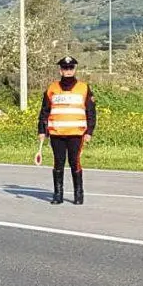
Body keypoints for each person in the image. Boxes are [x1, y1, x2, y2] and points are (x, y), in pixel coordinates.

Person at [37, 56, 96, 205]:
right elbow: (44, 111)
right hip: (56, 133)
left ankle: (78, 194)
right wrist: (42, 130)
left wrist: (89, 132)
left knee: (74, 162)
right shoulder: (52, 88)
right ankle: (58, 194)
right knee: (58, 162)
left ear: (75, 69)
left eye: (71, 68)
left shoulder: (84, 87)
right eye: (65, 68)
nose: (68, 71)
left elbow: (91, 111)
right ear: (60, 70)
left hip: (76, 133)